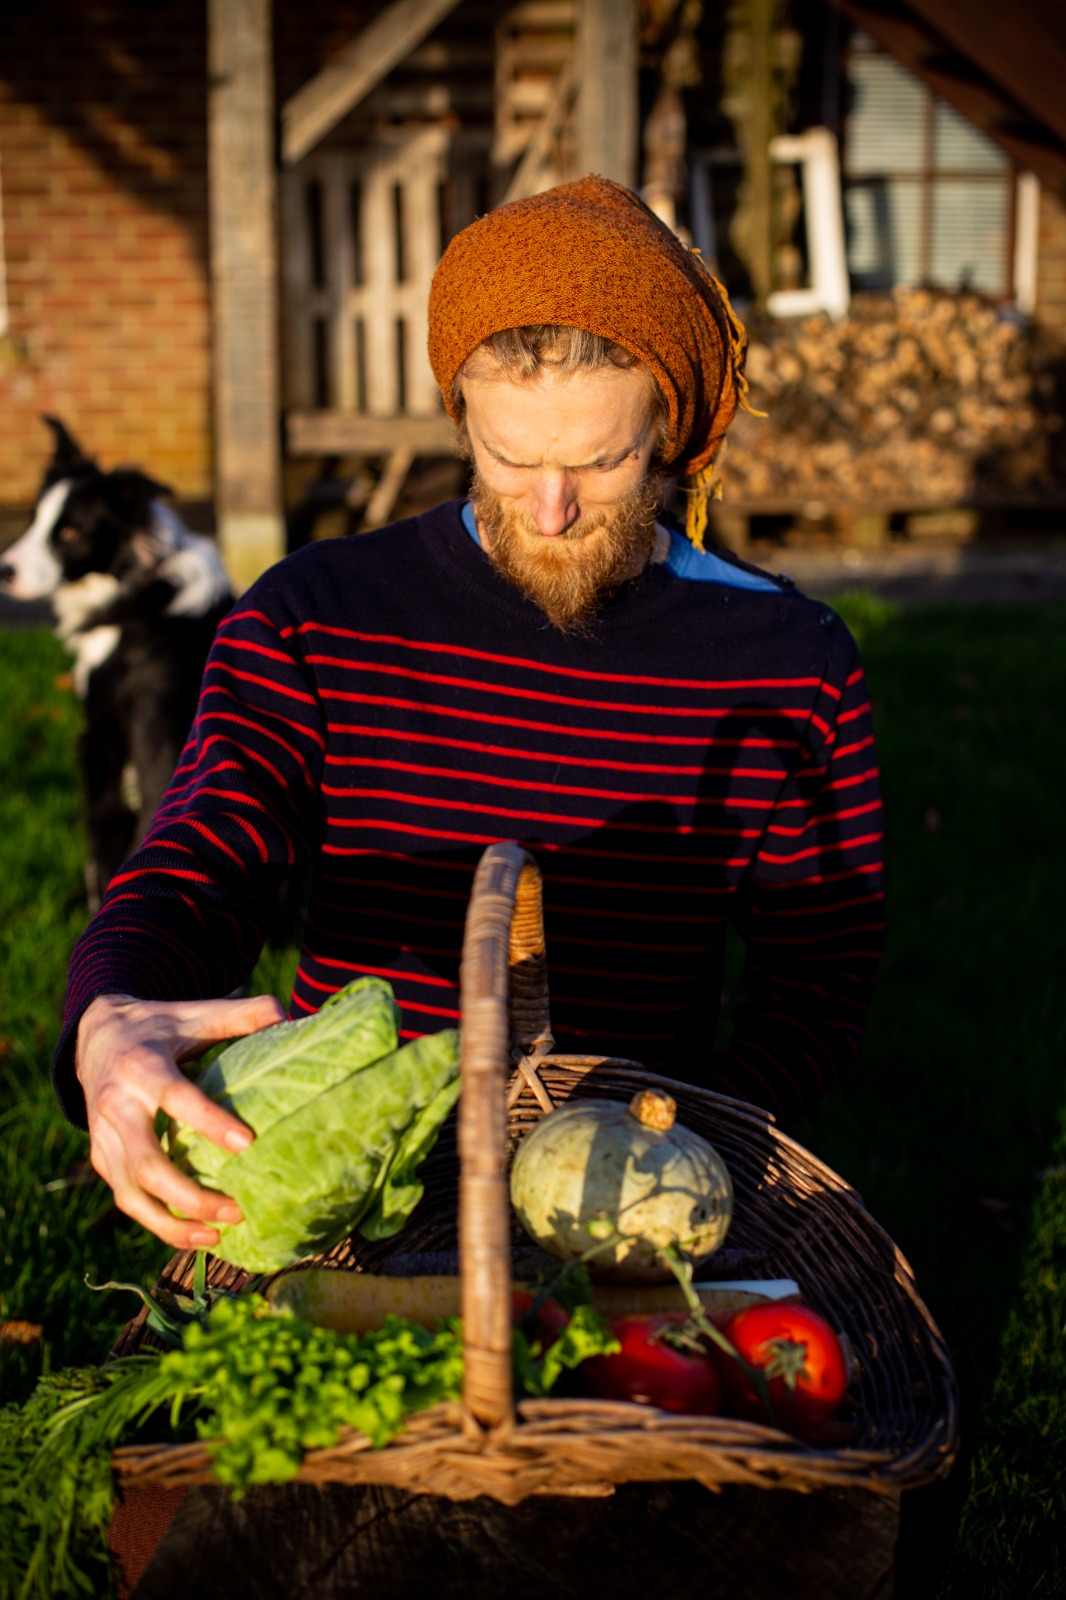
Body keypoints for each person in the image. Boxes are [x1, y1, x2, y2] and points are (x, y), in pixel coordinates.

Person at [56, 175, 884, 1255]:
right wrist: (112, 1014)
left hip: (623, 1178)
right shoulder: (317, 615)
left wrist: (681, 1146)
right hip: (351, 1170)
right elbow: (204, 853)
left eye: (601, 459)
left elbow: (816, 985)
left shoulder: (788, 659)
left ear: (670, 429)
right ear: (459, 415)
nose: (551, 507)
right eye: (510, 457)